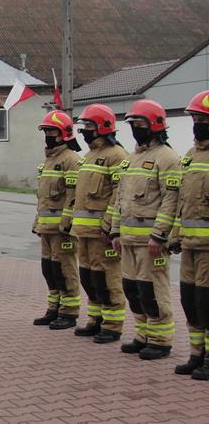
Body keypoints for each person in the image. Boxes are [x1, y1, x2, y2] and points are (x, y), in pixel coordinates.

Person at [110, 99, 181, 361]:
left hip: (150, 242)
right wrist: (115, 231)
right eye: (132, 124)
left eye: (140, 124)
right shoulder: (131, 159)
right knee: (133, 289)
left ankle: (160, 340)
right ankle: (143, 336)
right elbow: (120, 199)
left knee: (153, 292)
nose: (135, 129)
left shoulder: (168, 158)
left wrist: (159, 235)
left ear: (155, 125)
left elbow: (171, 200)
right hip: (128, 239)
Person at [71, 104, 129, 343]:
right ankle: (96, 319)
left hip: (101, 233)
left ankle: (113, 325)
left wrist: (109, 226)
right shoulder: (88, 157)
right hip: (84, 232)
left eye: (89, 125)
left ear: (103, 127)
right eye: (84, 125)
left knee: (107, 279)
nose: (84, 130)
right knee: (89, 278)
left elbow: (119, 194)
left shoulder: (117, 156)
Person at [169, 90, 209, 378]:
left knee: (207, 304)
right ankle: (197, 355)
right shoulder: (190, 156)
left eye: (202, 120)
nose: (197, 125)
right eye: (195, 119)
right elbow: (181, 202)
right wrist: (174, 235)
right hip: (189, 246)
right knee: (191, 302)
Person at [32, 111, 82, 329]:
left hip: (62, 230)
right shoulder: (50, 160)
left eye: (51, 131)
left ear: (64, 133)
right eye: (45, 131)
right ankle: (54, 308)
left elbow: (73, 196)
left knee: (65, 270)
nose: (48, 136)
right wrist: (37, 222)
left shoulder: (71, 160)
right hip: (46, 228)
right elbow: (42, 197)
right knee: (49, 270)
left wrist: (67, 223)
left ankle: (69, 312)